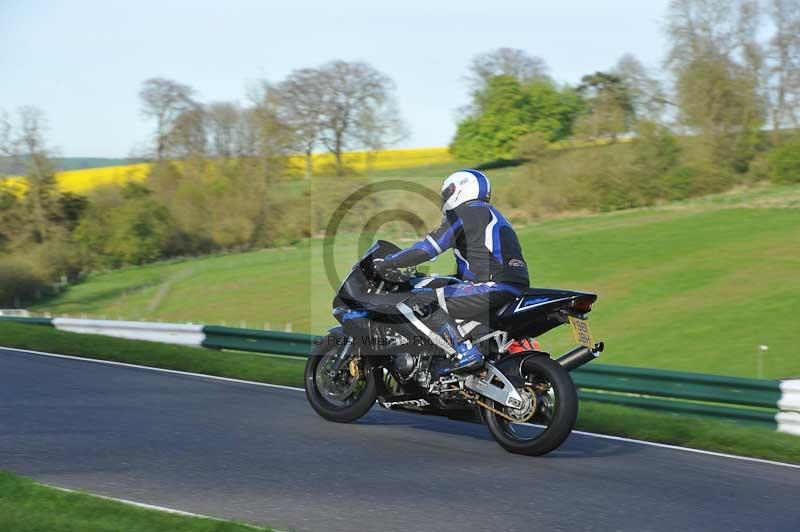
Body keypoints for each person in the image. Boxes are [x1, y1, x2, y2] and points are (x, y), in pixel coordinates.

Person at [373, 169, 530, 376]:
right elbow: (479, 262)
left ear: (458, 190)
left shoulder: (465, 213)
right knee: (442, 291)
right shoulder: (493, 214)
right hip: (512, 285)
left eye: (447, 192)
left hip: (492, 285)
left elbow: (428, 248)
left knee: (419, 300)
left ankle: (463, 352)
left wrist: (390, 262)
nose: (445, 199)